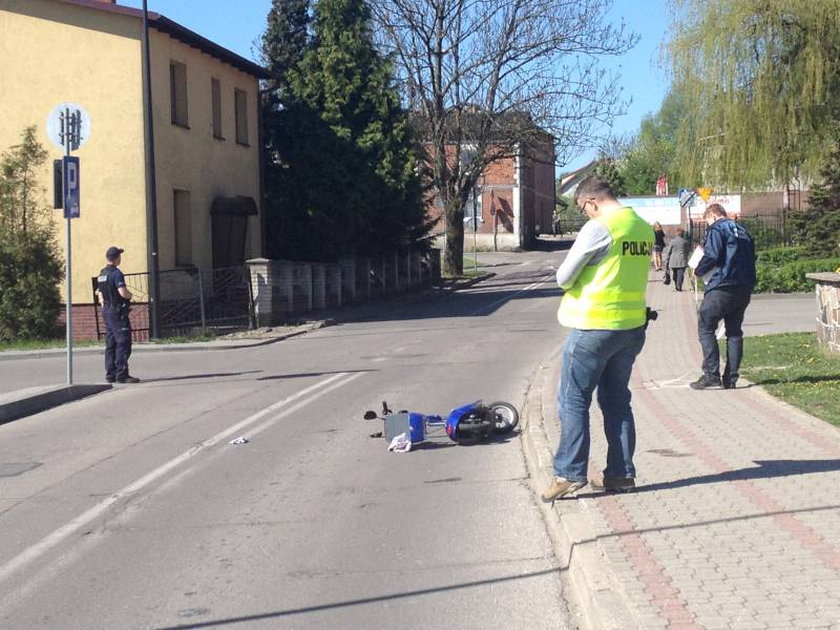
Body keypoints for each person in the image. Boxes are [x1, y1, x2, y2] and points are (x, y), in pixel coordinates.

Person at [541, 176, 654, 502]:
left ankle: (568, 473)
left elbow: (564, 277)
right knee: (617, 400)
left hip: (595, 327)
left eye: (583, 208)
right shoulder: (642, 227)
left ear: (592, 202)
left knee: (572, 399)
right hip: (632, 327)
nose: (586, 214)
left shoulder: (600, 227)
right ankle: (621, 474)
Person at [690, 204, 756, 390]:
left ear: (712, 215)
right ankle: (731, 378)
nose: (707, 224)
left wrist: (698, 270)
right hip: (743, 286)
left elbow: (712, 255)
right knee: (734, 331)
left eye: (707, 221)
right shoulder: (743, 231)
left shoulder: (717, 228)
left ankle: (711, 374)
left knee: (706, 326)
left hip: (722, 284)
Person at [96, 247, 140, 384]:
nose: (120, 258)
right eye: (119, 256)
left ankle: (110, 373)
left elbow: (99, 293)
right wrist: (130, 295)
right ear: (116, 258)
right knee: (123, 341)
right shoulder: (116, 273)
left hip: (107, 310)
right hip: (117, 311)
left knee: (111, 341)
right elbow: (122, 292)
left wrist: (104, 304)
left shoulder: (102, 274)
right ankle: (122, 374)